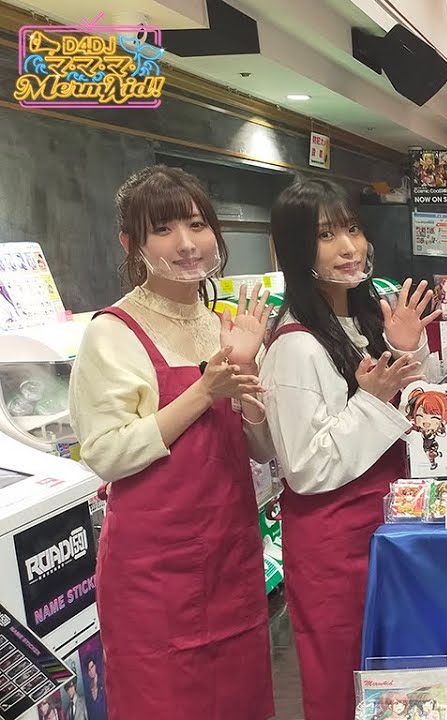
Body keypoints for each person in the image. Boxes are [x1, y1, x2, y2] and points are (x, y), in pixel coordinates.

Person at [68, 166, 274, 719]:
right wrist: (203, 392)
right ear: (130, 244)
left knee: (240, 702)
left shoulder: (220, 324)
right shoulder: (112, 331)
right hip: (153, 575)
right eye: (163, 230)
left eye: (197, 224)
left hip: (230, 556)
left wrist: (248, 376)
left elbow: (259, 450)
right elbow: (106, 453)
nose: (186, 244)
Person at [260, 177, 441, 720]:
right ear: (295, 249)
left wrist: (410, 352)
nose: (348, 248)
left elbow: (418, 418)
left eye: (353, 229)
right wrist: (374, 399)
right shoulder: (294, 345)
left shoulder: (364, 319)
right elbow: (305, 467)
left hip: (388, 524)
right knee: (343, 677)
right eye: (326, 236)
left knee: (398, 673)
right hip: (334, 542)